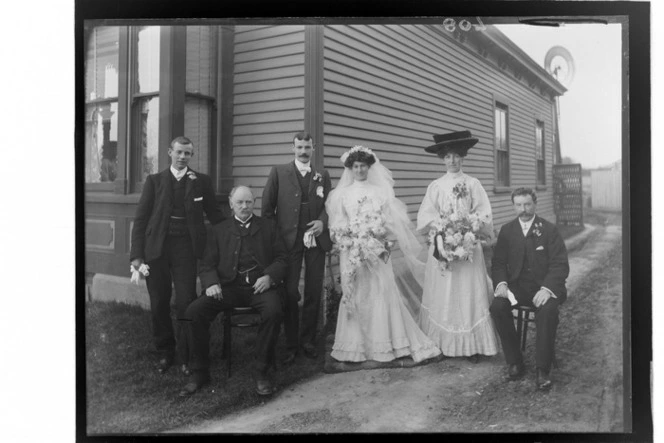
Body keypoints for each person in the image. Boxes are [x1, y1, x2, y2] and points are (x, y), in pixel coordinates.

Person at [326, 145, 441, 364]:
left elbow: (390, 223)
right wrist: (352, 241)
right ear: (350, 169)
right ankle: (355, 346)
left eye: (363, 166)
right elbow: (337, 226)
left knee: (381, 290)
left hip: (378, 250)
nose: (359, 170)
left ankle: (386, 343)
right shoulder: (342, 194)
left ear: (370, 167)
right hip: (353, 252)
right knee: (357, 292)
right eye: (356, 166)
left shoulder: (380, 192)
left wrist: (377, 239)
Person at [179, 186, 287, 397]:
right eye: (239, 202)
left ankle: (261, 371)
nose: (244, 206)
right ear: (231, 204)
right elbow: (207, 263)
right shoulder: (218, 230)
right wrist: (211, 283)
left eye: (248, 202)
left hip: (260, 288)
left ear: (254, 202)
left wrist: (270, 277)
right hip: (228, 288)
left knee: (274, 311)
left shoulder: (268, 227)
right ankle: (200, 372)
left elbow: (283, 259)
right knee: (194, 312)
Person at [130, 136, 224, 375]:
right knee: (159, 301)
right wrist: (136, 256)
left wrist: (236, 231)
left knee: (186, 301)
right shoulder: (155, 181)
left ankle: (186, 354)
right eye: (179, 152)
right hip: (157, 249)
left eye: (188, 153)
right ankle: (165, 351)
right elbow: (141, 219)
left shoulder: (201, 182)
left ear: (192, 155)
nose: (183, 157)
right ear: (169, 152)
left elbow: (214, 215)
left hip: (186, 249)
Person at [416, 130, 499, 362]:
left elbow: (484, 213)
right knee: (445, 293)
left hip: (468, 246)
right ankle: (442, 342)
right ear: (442, 159)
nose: (452, 161)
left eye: (456, 156)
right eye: (447, 157)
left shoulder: (473, 184)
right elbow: (425, 216)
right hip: (444, 245)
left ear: (463, 157)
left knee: (467, 292)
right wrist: (443, 227)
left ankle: (471, 345)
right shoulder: (436, 186)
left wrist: (470, 226)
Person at [261, 132, 332, 364]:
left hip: (315, 239)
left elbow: (330, 205)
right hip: (288, 241)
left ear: (313, 148)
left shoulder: (322, 175)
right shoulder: (279, 172)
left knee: (313, 289)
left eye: (307, 147)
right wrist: (276, 240)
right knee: (290, 292)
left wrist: (322, 221)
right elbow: (267, 209)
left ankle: (308, 340)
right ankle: (291, 343)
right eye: (299, 147)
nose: (303, 152)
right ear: (293, 148)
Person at [490, 187, 569, 390]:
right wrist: (501, 284)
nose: (523, 209)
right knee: (497, 307)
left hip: (543, 288)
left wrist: (547, 289)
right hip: (517, 288)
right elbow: (498, 263)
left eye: (527, 204)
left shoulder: (549, 230)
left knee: (548, 310)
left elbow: (560, 264)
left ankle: (542, 369)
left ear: (535, 204)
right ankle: (515, 362)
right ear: (514, 206)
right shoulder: (507, 231)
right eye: (518, 205)